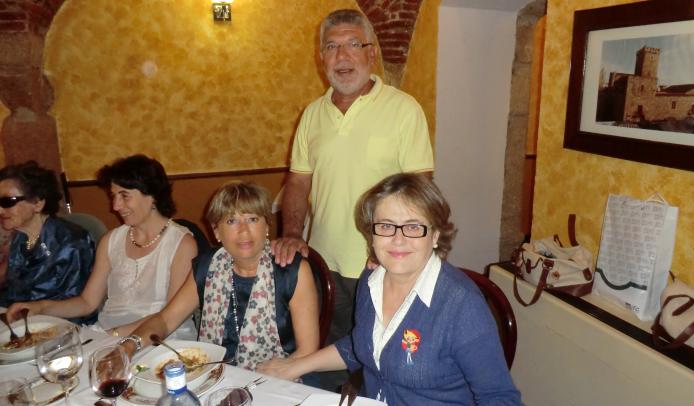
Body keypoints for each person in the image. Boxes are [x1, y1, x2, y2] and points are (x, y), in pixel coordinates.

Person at [259, 173, 522, 406]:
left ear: (435, 235)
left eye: (413, 226)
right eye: (385, 226)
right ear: (371, 234)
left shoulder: (462, 306)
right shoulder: (370, 280)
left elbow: (500, 399)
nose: (398, 239)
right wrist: (294, 366)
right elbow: (361, 343)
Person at [272, 8, 434, 347]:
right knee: (327, 351)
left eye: (353, 44)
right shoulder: (312, 114)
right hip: (321, 262)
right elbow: (298, 182)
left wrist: (392, 246)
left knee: (380, 353)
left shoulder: (404, 109)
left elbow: (419, 190)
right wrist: (291, 234)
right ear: (321, 58)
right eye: (332, 47)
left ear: (371, 54)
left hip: (381, 263)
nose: (342, 56)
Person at [118, 181, 319, 371]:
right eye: (231, 221)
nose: (244, 230)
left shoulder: (291, 271)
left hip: (280, 377)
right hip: (217, 373)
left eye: (252, 219)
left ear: (267, 226)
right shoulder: (209, 266)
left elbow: (307, 351)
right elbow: (166, 320)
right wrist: (128, 346)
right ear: (216, 232)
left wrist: (273, 375)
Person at [8, 155, 197, 338]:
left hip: (162, 339)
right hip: (108, 334)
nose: (115, 206)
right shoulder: (111, 240)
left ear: (152, 195)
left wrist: (110, 336)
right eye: (114, 196)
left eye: (124, 196)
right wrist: (41, 307)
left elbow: (169, 316)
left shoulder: (182, 244)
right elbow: (87, 302)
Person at [0, 162, 96, 324]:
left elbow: (78, 308)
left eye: (8, 202)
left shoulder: (71, 242)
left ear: (38, 203)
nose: (0, 210)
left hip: (60, 327)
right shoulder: (18, 237)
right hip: (19, 322)